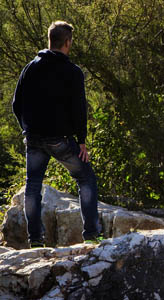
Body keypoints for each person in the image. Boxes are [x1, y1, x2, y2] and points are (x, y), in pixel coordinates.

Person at [12, 21, 102, 247]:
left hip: (33, 138)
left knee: (32, 186)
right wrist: (81, 141)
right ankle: (91, 235)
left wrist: (27, 127)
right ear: (68, 42)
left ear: (49, 40)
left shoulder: (30, 67)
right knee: (86, 178)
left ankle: (36, 240)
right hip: (60, 139)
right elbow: (79, 109)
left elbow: (16, 103)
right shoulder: (72, 72)